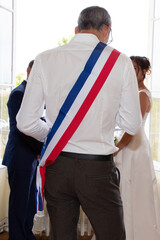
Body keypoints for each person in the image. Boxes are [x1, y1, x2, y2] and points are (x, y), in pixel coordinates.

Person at [16, 6, 142, 240]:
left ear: (77, 29)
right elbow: (132, 124)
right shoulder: (120, 61)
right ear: (106, 30)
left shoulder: (44, 58)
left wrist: (53, 133)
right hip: (97, 169)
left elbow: (25, 122)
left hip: (58, 165)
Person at [114, 56, 160, 240]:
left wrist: (118, 147)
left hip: (135, 148)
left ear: (143, 72)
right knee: (125, 191)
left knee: (135, 191)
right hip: (129, 145)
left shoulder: (142, 95)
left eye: (134, 68)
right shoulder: (133, 92)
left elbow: (134, 127)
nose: (131, 72)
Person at [2, 60, 44, 240]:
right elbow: (23, 130)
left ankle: (27, 235)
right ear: (28, 70)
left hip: (31, 157)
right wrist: (42, 148)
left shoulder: (36, 96)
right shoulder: (18, 94)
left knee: (29, 205)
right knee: (19, 204)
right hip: (20, 156)